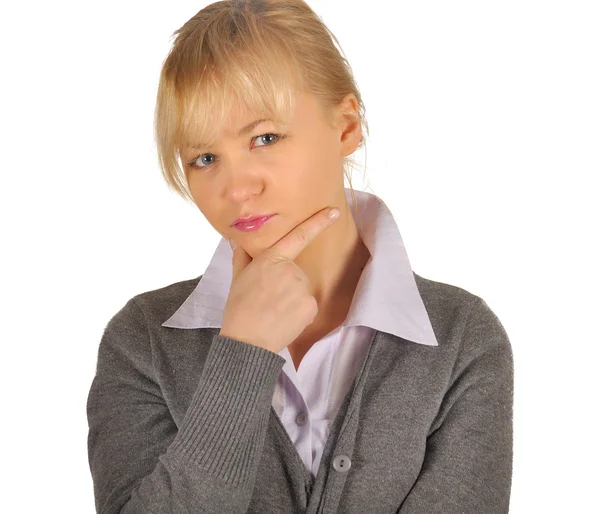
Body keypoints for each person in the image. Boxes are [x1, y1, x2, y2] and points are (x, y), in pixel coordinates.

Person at [86, 1, 514, 512]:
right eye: (204, 158)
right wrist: (244, 352)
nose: (237, 187)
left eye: (265, 137)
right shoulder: (143, 343)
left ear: (346, 127)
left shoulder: (461, 340)